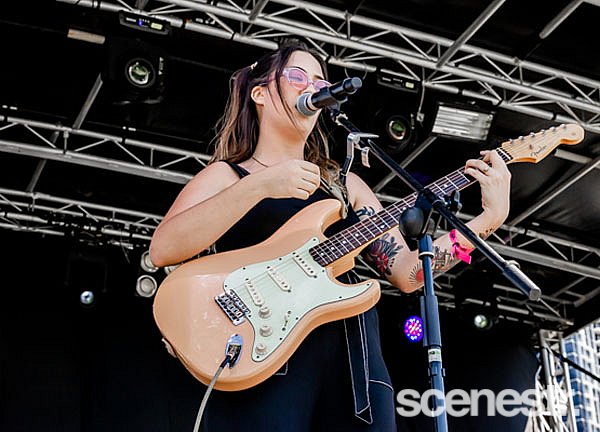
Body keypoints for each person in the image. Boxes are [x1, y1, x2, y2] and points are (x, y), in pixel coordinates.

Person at [149, 39, 511, 431]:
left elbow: (408, 272)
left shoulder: (345, 186)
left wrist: (488, 220)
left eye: (320, 81)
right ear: (259, 94)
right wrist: (259, 186)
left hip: (352, 364)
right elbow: (164, 248)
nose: (313, 87)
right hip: (262, 357)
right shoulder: (227, 175)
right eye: (297, 77)